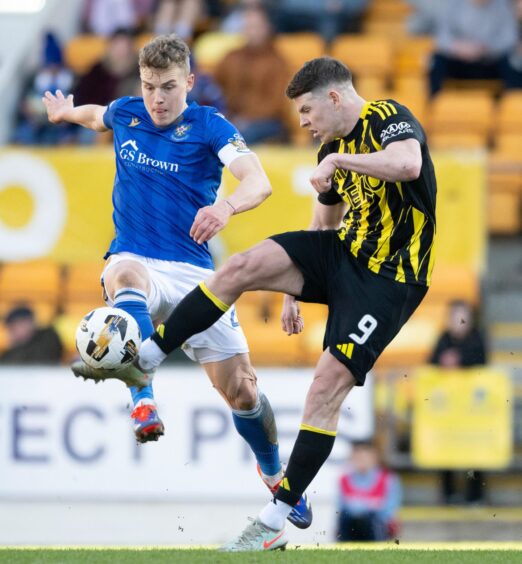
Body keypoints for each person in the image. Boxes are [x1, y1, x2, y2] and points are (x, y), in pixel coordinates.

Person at [73, 55, 437, 550]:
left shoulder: (385, 118)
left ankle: (273, 519)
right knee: (241, 267)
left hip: (390, 278)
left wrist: (339, 161)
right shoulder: (330, 147)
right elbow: (326, 221)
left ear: (334, 97)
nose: (303, 123)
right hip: (343, 254)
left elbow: (408, 164)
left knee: (325, 388)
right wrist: (297, 288)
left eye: (307, 111)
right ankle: (147, 360)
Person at [43, 32, 311, 530]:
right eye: (148, 87)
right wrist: (65, 114)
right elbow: (96, 113)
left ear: (189, 82)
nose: (157, 99)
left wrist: (225, 205)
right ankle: (141, 397)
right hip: (136, 257)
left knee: (244, 394)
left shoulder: (211, 126)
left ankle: (275, 475)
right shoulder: (128, 112)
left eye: (167, 86)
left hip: (194, 274)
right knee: (124, 275)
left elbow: (259, 181)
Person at [429, 299, 488, 505]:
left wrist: (458, 360)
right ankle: (449, 494)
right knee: (447, 449)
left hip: (473, 410)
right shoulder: (443, 338)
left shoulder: (477, 337)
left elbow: (483, 361)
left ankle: (475, 495)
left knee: (475, 451)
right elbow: (431, 362)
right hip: (448, 409)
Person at [214, 5, 289, 144]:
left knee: (236, 135)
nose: (251, 31)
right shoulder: (231, 57)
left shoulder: (277, 62)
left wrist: (246, 118)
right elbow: (214, 90)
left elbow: (277, 104)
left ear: (267, 28)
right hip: (233, 119)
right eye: (247, 27)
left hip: (267, 122)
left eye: (256, 26)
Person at [428, 0, 518, 95]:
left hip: (489, 62)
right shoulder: (452, 4)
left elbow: (509, 38)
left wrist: (486, 48)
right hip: (458, 61)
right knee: (436, 61)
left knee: (513, 61)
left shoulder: (503, 5)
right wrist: (458, 47)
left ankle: (511, 103)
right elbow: (441, 37)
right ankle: (433, 102)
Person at [12, 32, 75, 145]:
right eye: (50, 66)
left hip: (62, 123)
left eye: (56, 66)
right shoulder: (33, 79)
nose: (52, 69)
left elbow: (77, 104)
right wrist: (28, 112)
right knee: (23, 134)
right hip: (36, 120)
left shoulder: (71, 79)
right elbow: (23, 105)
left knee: (67, 138)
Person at [337, 440, 402, 542]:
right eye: (358, 457)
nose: (361, 460)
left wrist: (361, 507)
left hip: (377, 527)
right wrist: (369, 505)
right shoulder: (344, 480)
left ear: (374, 457)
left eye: (365, 456)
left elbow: (388, 512)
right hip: (351, 527)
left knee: (371, 520)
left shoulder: (387, 479)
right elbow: (342, 509)